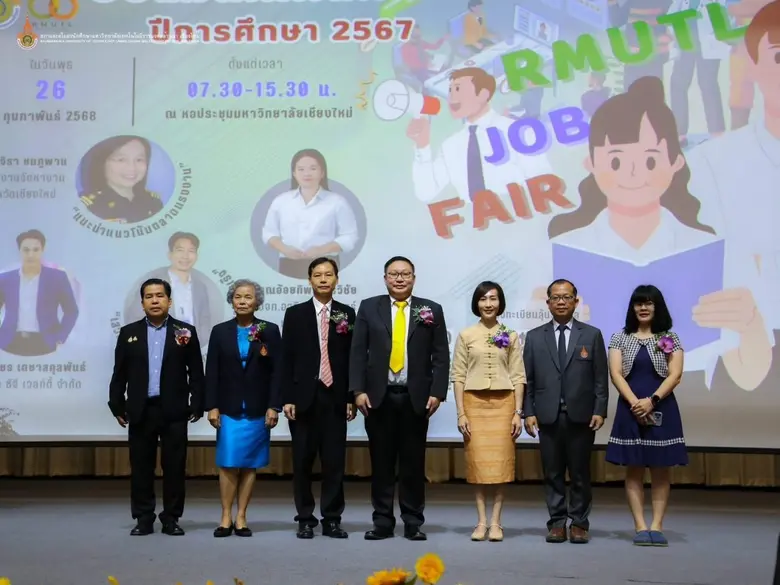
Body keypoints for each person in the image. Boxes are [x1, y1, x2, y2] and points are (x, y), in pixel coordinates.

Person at [545, 76, 771, 389]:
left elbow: (750, 376)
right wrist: (541, 322)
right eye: (616, 160)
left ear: (676, 162)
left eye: (650, 159)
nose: (634, 173)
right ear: (592, 163)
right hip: (591, 396)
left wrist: (750, 324)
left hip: (686, 399)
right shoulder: (561, 253)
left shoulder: (716, 252)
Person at [349, 256, 450, 541]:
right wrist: (357, 391)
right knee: (381, 464)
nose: (400, 279)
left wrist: (437, 392)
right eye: (394, 274)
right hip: (378, 398)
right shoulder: (370, 307)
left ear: (414, 278)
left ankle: (413, 521)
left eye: (405, 274)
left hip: (414, 398)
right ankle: (382, 521)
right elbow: (358, 352)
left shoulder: (430, 309)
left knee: (413, 464)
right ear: (385, 278)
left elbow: (441, 355)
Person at [108, 278, 204, 536]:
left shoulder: (185, 332)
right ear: (142, 303)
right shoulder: (129, 333)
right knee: (141, 467)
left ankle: (171, 518)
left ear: (169, 301)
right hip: (141, 409)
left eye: (160, 295)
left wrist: (197, 403)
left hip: (174, 410)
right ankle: (144, 517)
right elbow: (120, 373)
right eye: (149, 296)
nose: (154, 300)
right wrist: (116, 404)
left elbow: (196, 372)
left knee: (174, 466)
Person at [523, 279, 608, 544]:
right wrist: (528, 412)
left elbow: (600, 378)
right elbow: (528, 380)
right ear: (548, 303)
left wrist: (600, 409)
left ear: (576, 301)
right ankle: (557, 522)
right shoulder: (535, 337)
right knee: (552, 473)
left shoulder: (591, 335)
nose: (561, 302)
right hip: (547, 416)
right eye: (556, 297)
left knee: (580, 472)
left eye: (567, 297)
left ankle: (580, 523)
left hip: (581, 416)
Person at [605, 285, 687, 547]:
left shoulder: (670, 337)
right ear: (632, 308)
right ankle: (640, 526)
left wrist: (651, 401)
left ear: (657, 307)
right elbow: (616, 373)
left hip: (662, 406)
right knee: (634, 469)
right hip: (630, 408)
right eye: (639, 303)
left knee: (661, 470)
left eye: (649, 303)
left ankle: (657, 526)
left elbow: (675, 374)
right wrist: (635, 404)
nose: (643, 308)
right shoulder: (620, 337)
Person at [282, 258, 356, 539]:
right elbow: (287, 358)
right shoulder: (295, 314)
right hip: (303, 398)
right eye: (317, 275)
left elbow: (352, 359)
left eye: (328, 275)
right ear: (309, 280)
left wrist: (350, 396)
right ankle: (304, 517)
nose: (323, 279)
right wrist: (287, 396)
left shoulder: (347, 314)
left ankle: (332, 518)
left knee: (334, 462)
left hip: (335, 398)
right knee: (302, 462)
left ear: (337, 279)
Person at [407, 67, 551, 204]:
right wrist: (422, 146)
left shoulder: (516, 131)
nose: (452, 98)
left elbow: (543, 182)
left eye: (458, 89)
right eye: (450, 91)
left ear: (483, 94)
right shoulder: (450, 146)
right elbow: (425, 192)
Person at [204, 279, 281, 537]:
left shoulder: (269, 330)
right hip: (228, 408)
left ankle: (241, 517)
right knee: (227, 463)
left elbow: (276, 373)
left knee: (249, 464)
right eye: (238, 296)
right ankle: (225, 516)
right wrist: (212, 406)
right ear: (232, 300)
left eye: (248, 297)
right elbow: (211, 371)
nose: (243, 301)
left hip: (258, 409)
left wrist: (274, 406)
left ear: (257, 301)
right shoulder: (220, 331)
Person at [451, 281, 525, 542]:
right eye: (483, 299)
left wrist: (518, 412)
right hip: (474, 404)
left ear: (500, 303)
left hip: (504, 404)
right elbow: (458, 376)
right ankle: (481, 522)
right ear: (476, 304)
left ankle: (497, 522)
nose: (488, 304)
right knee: (479, 465)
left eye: (493, 298)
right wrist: (461, 413)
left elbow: (518, 376)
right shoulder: (466, 335)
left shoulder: (511, 335)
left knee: (501, 465)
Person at [261, 149, 359, 279]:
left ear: (322, 172)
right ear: (294, 173)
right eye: (301, 169)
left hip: (326, 263)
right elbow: (269, 233)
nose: (306, 173)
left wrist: (322, 250)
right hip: (289, 263)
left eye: (313, 168)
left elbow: (350, 237)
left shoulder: (337, 202)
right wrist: (285, 249)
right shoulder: (281, 201)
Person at [124, 232, 215, 349]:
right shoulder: (152, 284)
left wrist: (196, 344)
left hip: (190, 350)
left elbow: (205, 321)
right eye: (180, 250)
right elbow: (135, 318)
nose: (185, 256)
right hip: (157, 350)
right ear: (170, 254)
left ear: (196, 255)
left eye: (191, 251)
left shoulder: (200, 287)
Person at [0, 229, 79, 356]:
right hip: (10, 342)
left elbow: (71, 310)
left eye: (35, 250)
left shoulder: (57, 277)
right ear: (19, 251)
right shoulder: (5, 279)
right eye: (26, 250)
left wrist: (60, 337)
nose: (30, 254)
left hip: (46, 342)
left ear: (42, 250)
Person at [667, 0, 728, 147]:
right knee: (678, 84)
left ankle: (717, 133)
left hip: (708, 43)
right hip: (685, 42)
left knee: (708, 85)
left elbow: (725, 15)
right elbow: (671, 14)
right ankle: (679, 133)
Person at [79, 135, 164, 223]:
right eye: (121, 160)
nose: (132, 168)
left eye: (139, 160)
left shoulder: (154, 202)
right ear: (102, 163)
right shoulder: (89, 206)